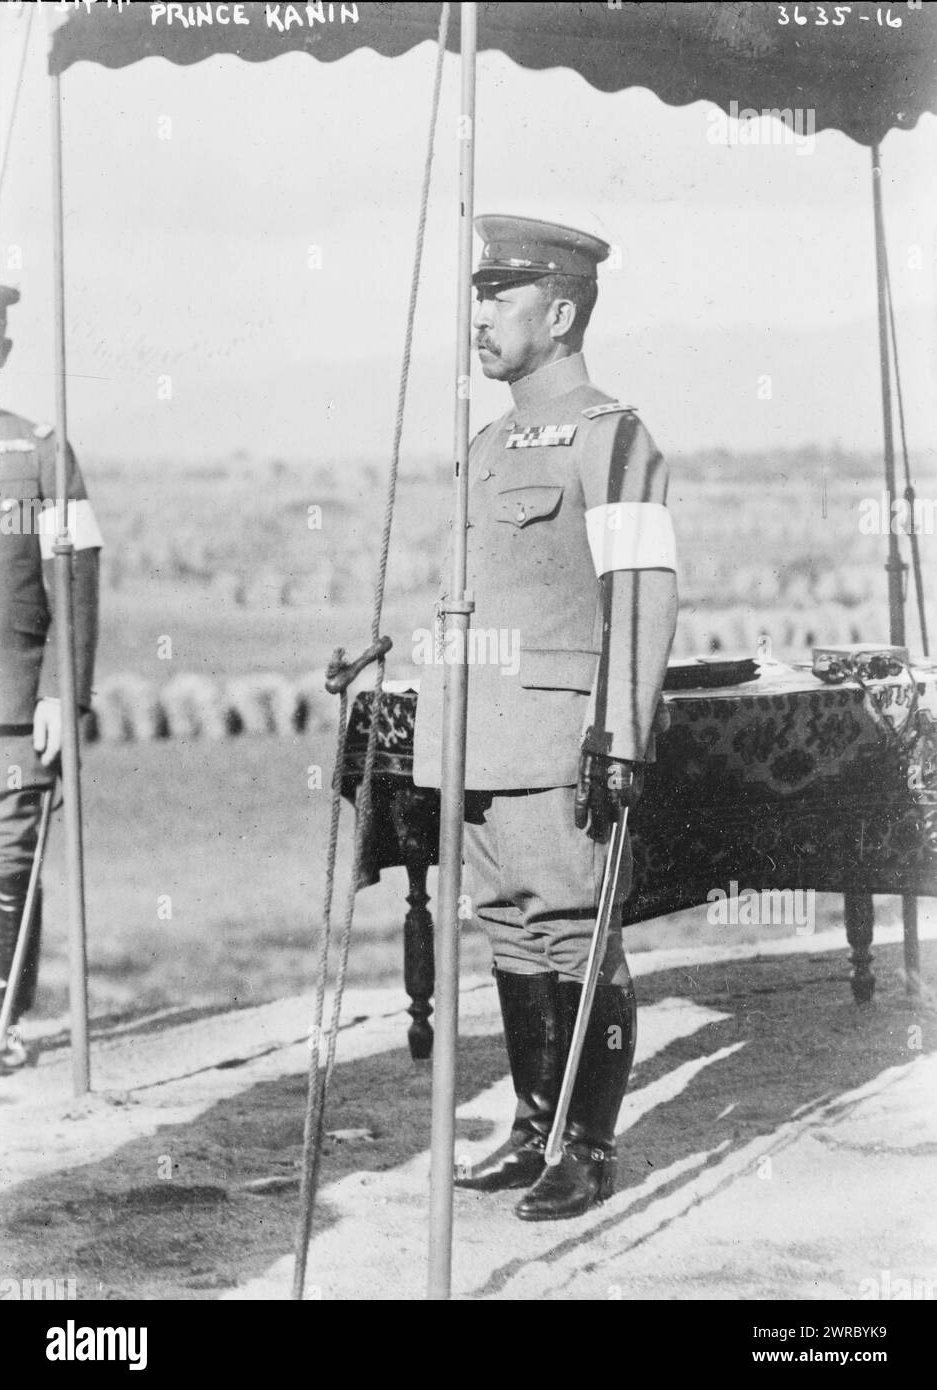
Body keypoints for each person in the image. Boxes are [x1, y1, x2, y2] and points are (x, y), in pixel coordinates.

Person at [412, 216, 678, 1220]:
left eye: (502, 298)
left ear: (559, 313)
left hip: (558, 739)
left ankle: (586, 1145)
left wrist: (617, 735)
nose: (479, 317)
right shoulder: (486, 441)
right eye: (479, 296)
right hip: (478, 739)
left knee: (575, 934)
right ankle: (532, 1127)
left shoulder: (612, 435)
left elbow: (642, 591)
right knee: (512, 933)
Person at [0, 282, 102, 1073]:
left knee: (7, 863)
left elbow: (75, 578)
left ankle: (1, 1017)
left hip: (12, 703)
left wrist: (65, 688)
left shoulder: (37, 453)